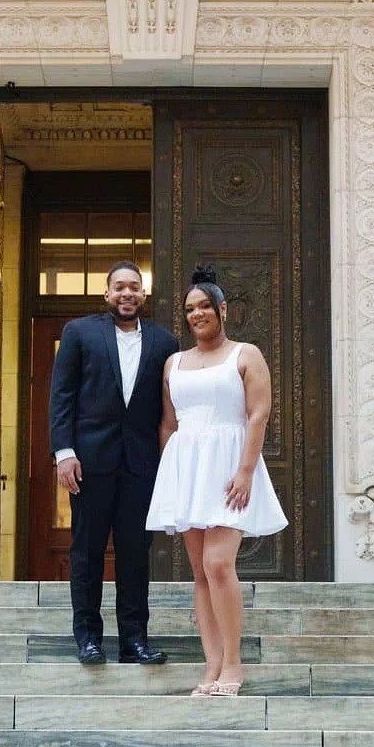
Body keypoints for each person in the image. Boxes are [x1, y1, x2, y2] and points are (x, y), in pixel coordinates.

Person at [146, 265, 288, 697]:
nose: (197, 314)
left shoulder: (246, 354)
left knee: (219, 564)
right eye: (190, 308)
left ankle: (233, 665)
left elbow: (258, 413)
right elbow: (168, 423)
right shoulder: (174, 363)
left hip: (230, 466)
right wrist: (171, 475)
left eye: (205, 305)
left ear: (223, 309)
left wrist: (245, 470)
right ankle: (210, 666)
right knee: (200, 573)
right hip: (187, 467)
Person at [50, 260, 179, 666]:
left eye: (135, 287)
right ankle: (88, 639)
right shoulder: (79, 333)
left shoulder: (165, 343)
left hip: (141, 466)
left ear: (144, 295)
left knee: (134, 556)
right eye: (119, 287)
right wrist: (64, 452)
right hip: (89, 463)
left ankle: (134, 642)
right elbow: (62, 396)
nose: (127, 293)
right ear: (106, 294)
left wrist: (170, 463)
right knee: (86, 552)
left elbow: (169, 409)